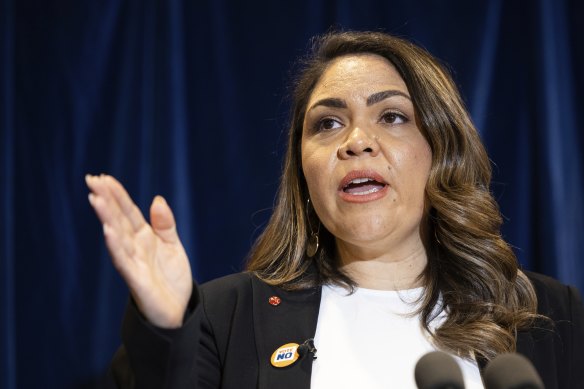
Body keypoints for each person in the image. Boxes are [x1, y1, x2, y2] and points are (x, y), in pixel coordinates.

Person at [86, 31, 584, 389]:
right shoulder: (225, 319)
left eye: (391, 116)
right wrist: (166, 331)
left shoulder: (552, 318)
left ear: (443, 151)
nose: (357, 142)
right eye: (327, 124)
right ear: (303, 172)